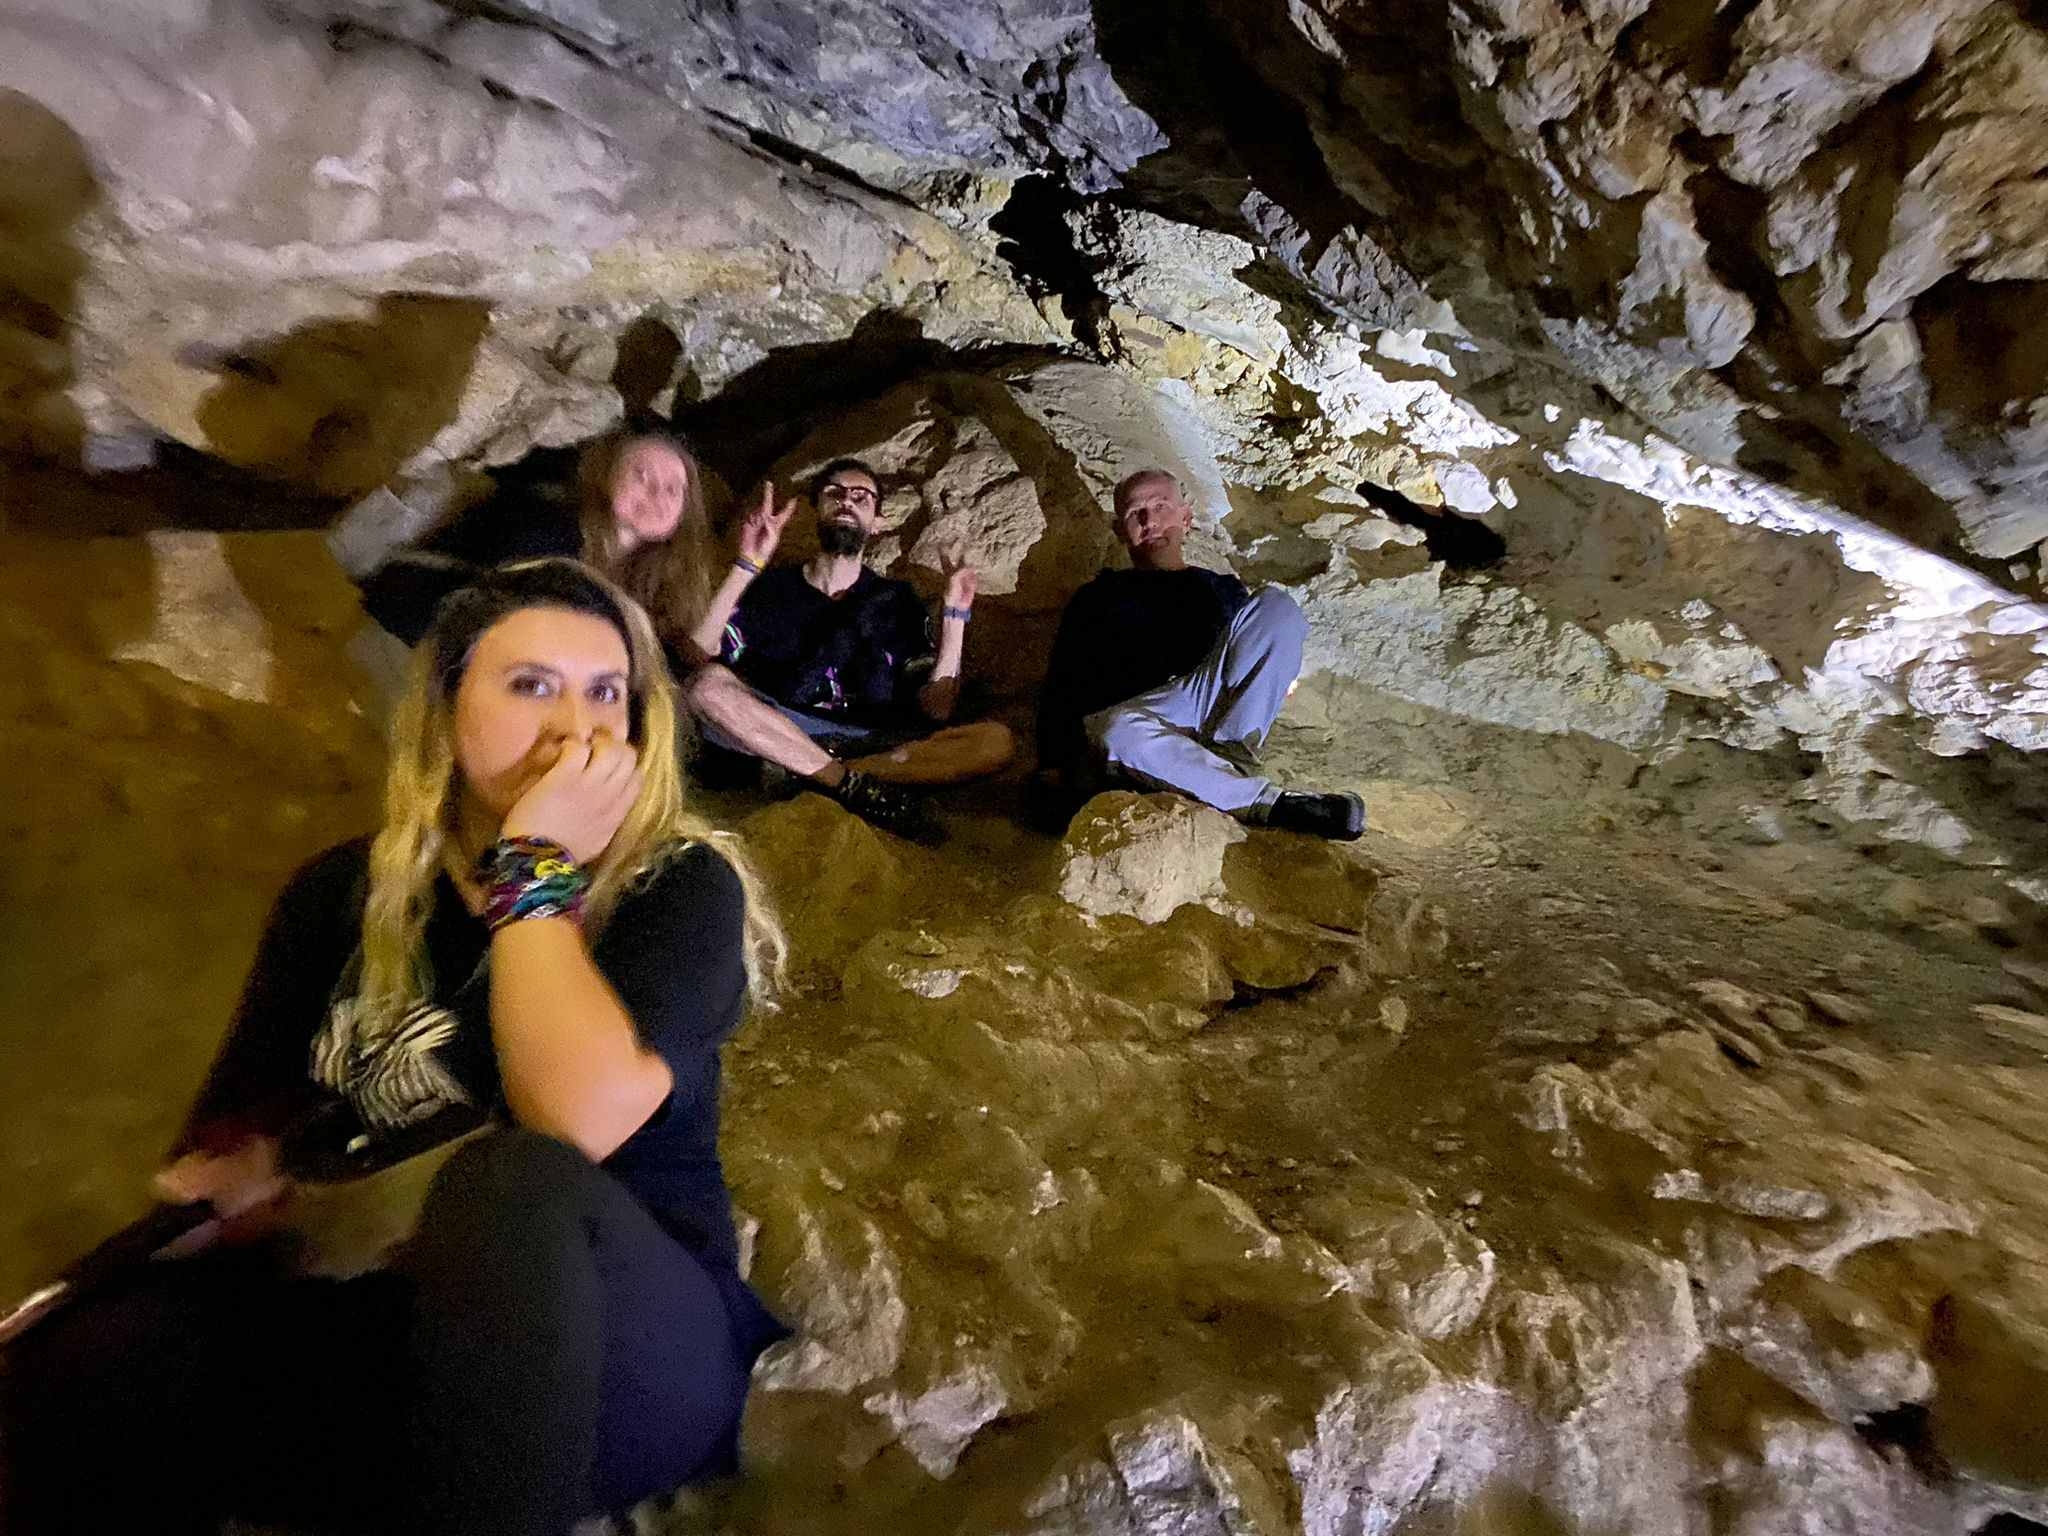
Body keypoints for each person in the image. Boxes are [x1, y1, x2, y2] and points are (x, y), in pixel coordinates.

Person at [2, 559, 790, 1536]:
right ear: (446, 715)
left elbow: (577, 1119)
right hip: (408, 1330)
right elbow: (235, 1145)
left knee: (511, 1183)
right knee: (97, 1357)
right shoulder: (340, 896)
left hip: (621, 1345)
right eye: (532, 685)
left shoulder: (675, 887)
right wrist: (235, 1188)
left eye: (605, 694)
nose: (575, 728)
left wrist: (533, 870)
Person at [683, 457, 1017, 844]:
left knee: (995, 742)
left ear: (877, 522)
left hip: (865, 741)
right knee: (705, 688)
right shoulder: (771, 589)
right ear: (816, 509)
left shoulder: (896, 601)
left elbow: (937, 708)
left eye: (861, 497)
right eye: (835, 493)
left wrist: (955, 615)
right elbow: (697, 655)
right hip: (779, 727)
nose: (847, 502)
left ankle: (814, 774)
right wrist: (746, 565)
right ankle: (849, 784)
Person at [1035, 468, 1365, 839]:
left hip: (1201, 710)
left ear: (1186, 518)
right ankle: (1268, 802)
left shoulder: (1221, 589)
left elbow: (1251, 658)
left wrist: (1278, 674)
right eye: (1135, 513)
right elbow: (1062, 685)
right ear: (1120, 530)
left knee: (1277, 606)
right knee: (1118, 730)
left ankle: (1229, 761)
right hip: (1134, 728)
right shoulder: (1098, 596)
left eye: (1160, 506)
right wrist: (1053, 765)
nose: (1149, 521)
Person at [357, 429, 719, 657]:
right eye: (641, 475)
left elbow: (682, 659)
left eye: (673, 490)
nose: (657, 494)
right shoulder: (549, 522)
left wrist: (745, 565)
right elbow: (514, 629)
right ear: (605, 474)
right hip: (405, 640)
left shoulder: (650, 580)